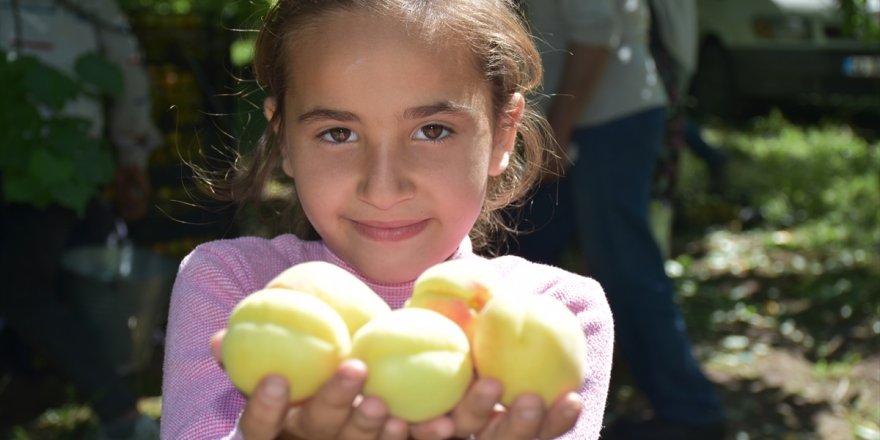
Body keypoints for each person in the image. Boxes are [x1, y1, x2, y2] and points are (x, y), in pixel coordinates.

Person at [160, 1, 614, 439]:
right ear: (283, 141)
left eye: (432, 130)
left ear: (502, 133)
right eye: (338, 134)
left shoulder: (560, 312)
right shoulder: (233, 288)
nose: (382, 189)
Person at [515, 0, 727, 439]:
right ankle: (546, 399)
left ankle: (691, 412)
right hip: (584, 120)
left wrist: (559, 130)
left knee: (625, 265)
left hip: (608, 121)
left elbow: (596, 31)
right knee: (531, 255)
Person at [0, 0, 161, 439]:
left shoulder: (88, 11)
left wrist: (133, 153)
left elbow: (124, 71)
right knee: (53, 293)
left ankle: (124, 416)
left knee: (25, 292)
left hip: (53, 171)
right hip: (58, 168)